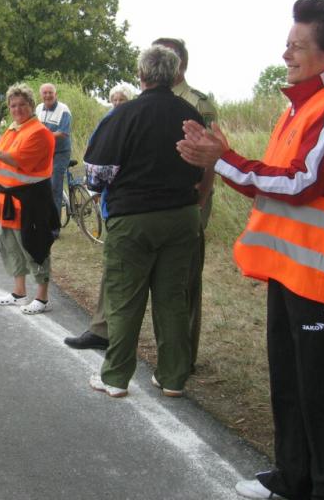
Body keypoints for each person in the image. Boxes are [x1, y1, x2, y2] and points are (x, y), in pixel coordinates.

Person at [178, 0, 324, 500]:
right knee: (289, 384)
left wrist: (223, 159)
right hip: (290, 274)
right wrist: (223, 159)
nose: (286, 54)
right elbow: (276, 182)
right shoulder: (298, 109)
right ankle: (292, 479)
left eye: (297, 46)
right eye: (287, 44)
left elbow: (301, 181)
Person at [84, 45, 204, 399]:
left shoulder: (125, 114)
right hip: (182, 215)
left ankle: (116, 377)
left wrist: (104, 187)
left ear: (141, 75)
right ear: (175, 73)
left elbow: (97, 171)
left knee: (124, 298)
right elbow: (204, 164)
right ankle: (173, 377)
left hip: (133, 217)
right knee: (173, 298)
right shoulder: (191, 114)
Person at [153, 37, 217, 371]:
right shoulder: (147, 99)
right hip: (155, 204)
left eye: (164, 56)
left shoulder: (197, 103)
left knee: (185, 281)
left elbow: (211, 155)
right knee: (160, 282)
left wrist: (200, 200)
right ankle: (165, 350)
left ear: (181, 64)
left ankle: (184, 357)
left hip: (188, 202)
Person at [0, 83, 59, 316]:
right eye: (13, 105)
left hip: (32, 201)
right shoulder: (11, 130)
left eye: (22, 105)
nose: (17, 109)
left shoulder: (39, 133)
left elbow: (18, 161)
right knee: (11, 247)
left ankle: (43, 297)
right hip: (7, 201)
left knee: (35, 247)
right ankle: (19, 292)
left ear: (31, 105)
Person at [64, 84, 139, 351]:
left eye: (122, 99)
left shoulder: (123, 122)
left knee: (117, 274)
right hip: (119, 206)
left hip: (126, 209)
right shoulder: (110, 120)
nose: (117, 103)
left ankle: (108, 337)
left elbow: (99, 168)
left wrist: (96, 184)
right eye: (114, 99)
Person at [35, 83, 72, 237]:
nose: (48, 95)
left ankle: (54, 229)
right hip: (45, 153)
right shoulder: (38, 109)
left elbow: (63, 132)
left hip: (60, 153)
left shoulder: (64, 110)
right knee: (41, 188)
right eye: (45, 93)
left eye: (50, 92)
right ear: (41, 95)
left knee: (54, 189)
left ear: (55, 94)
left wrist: (44, 135)